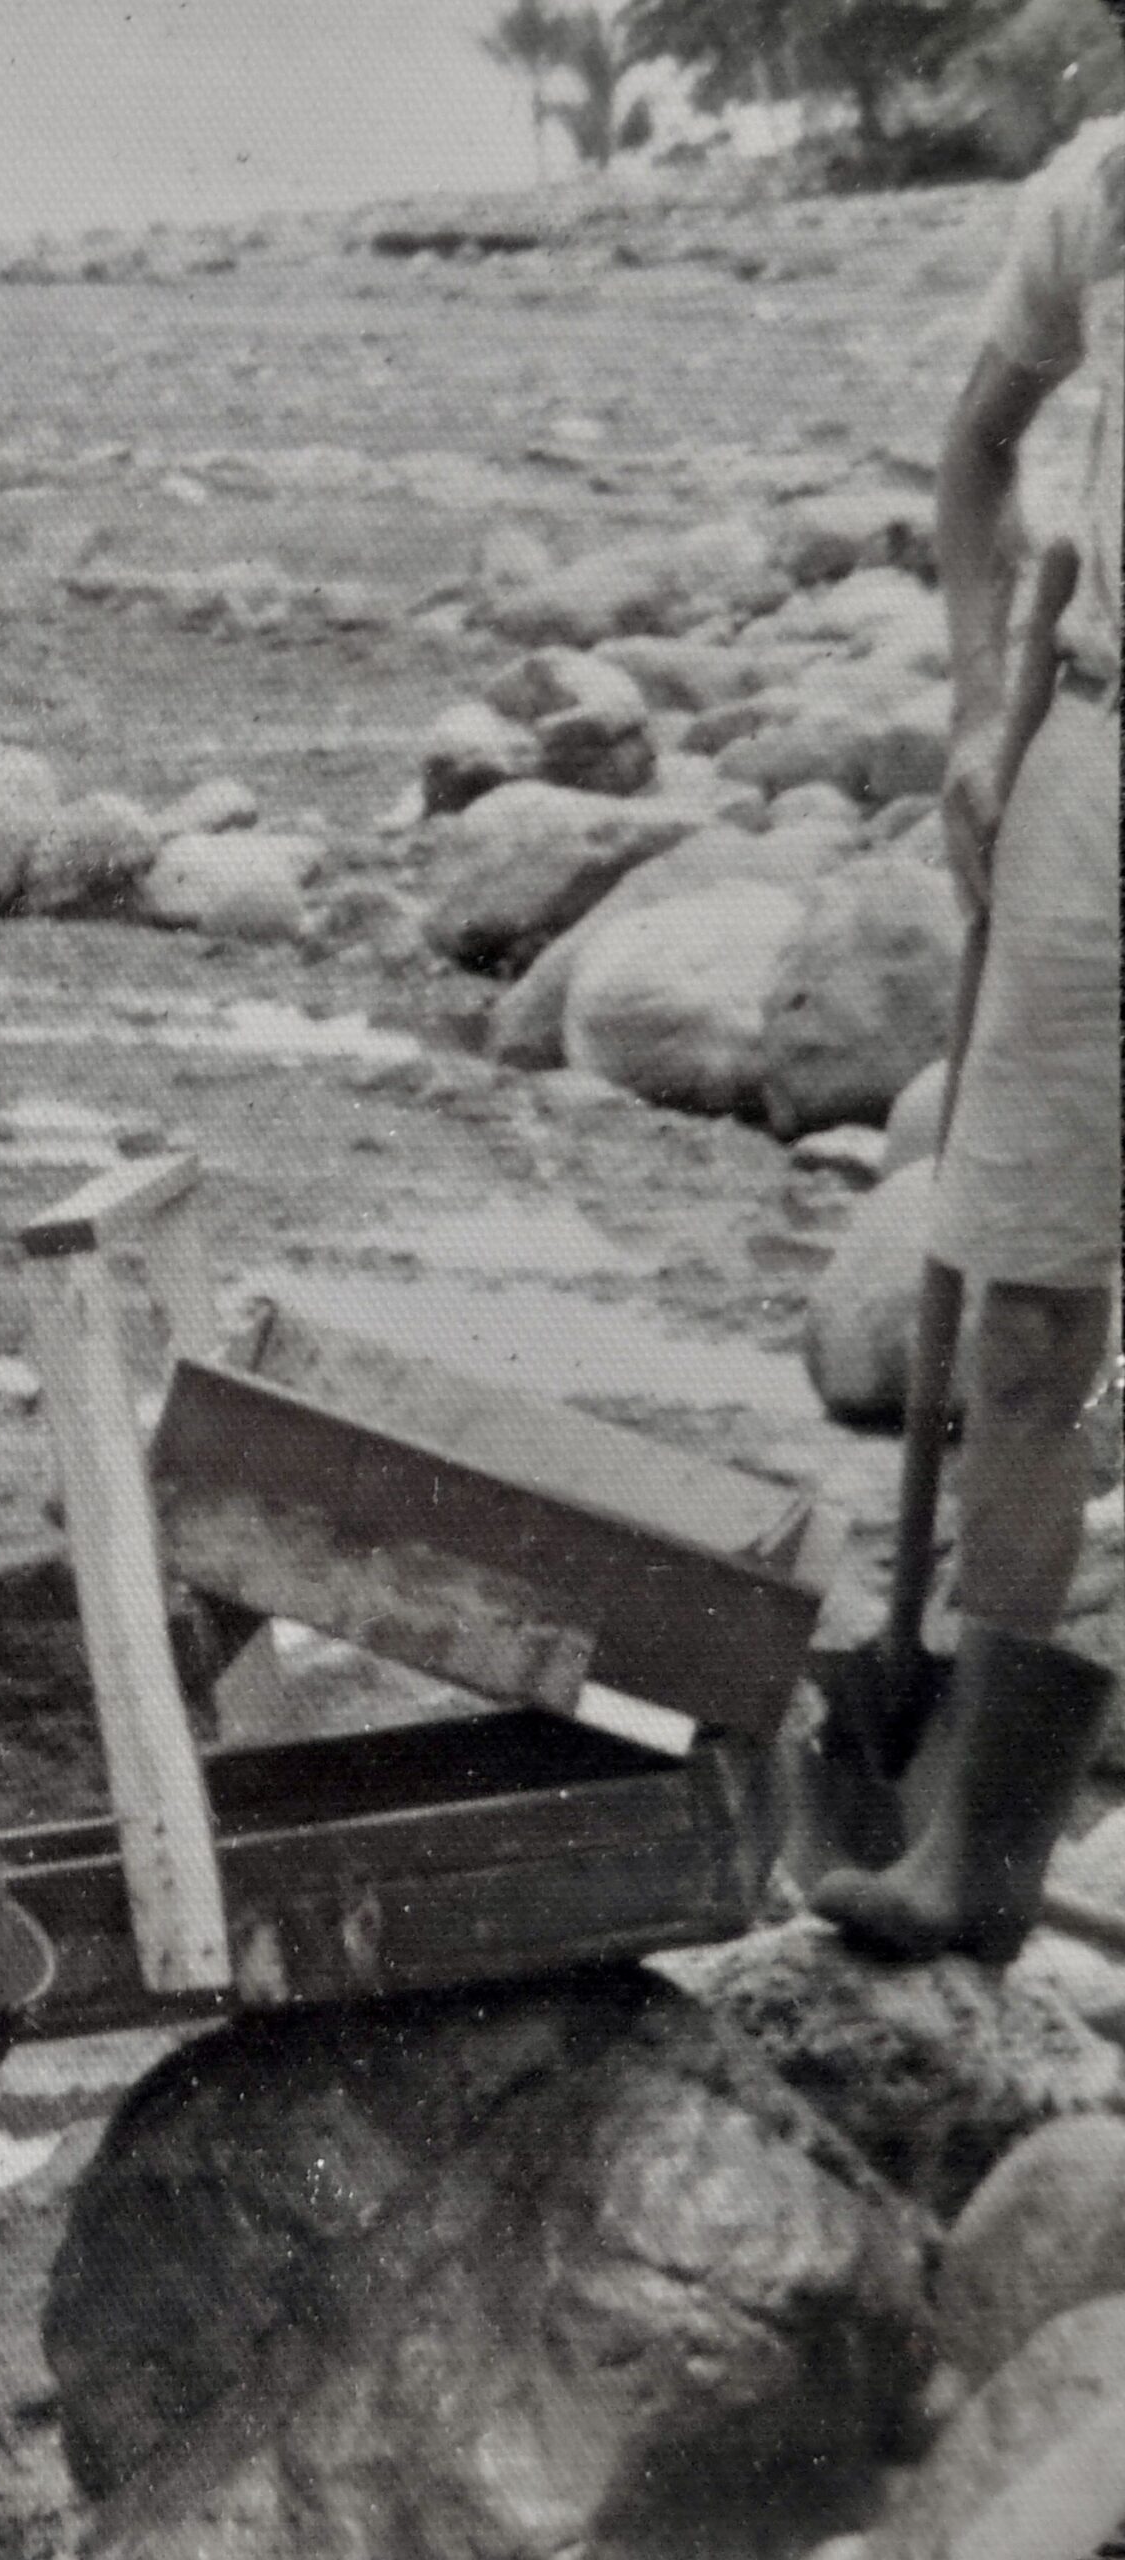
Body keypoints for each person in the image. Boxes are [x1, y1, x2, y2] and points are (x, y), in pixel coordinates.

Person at [814, 117, 1122, 1966]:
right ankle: (978, 1862)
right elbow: (979, 453)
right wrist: (975, 703)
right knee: (1024, 1318)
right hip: (1095, 760)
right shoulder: (1100, 185)